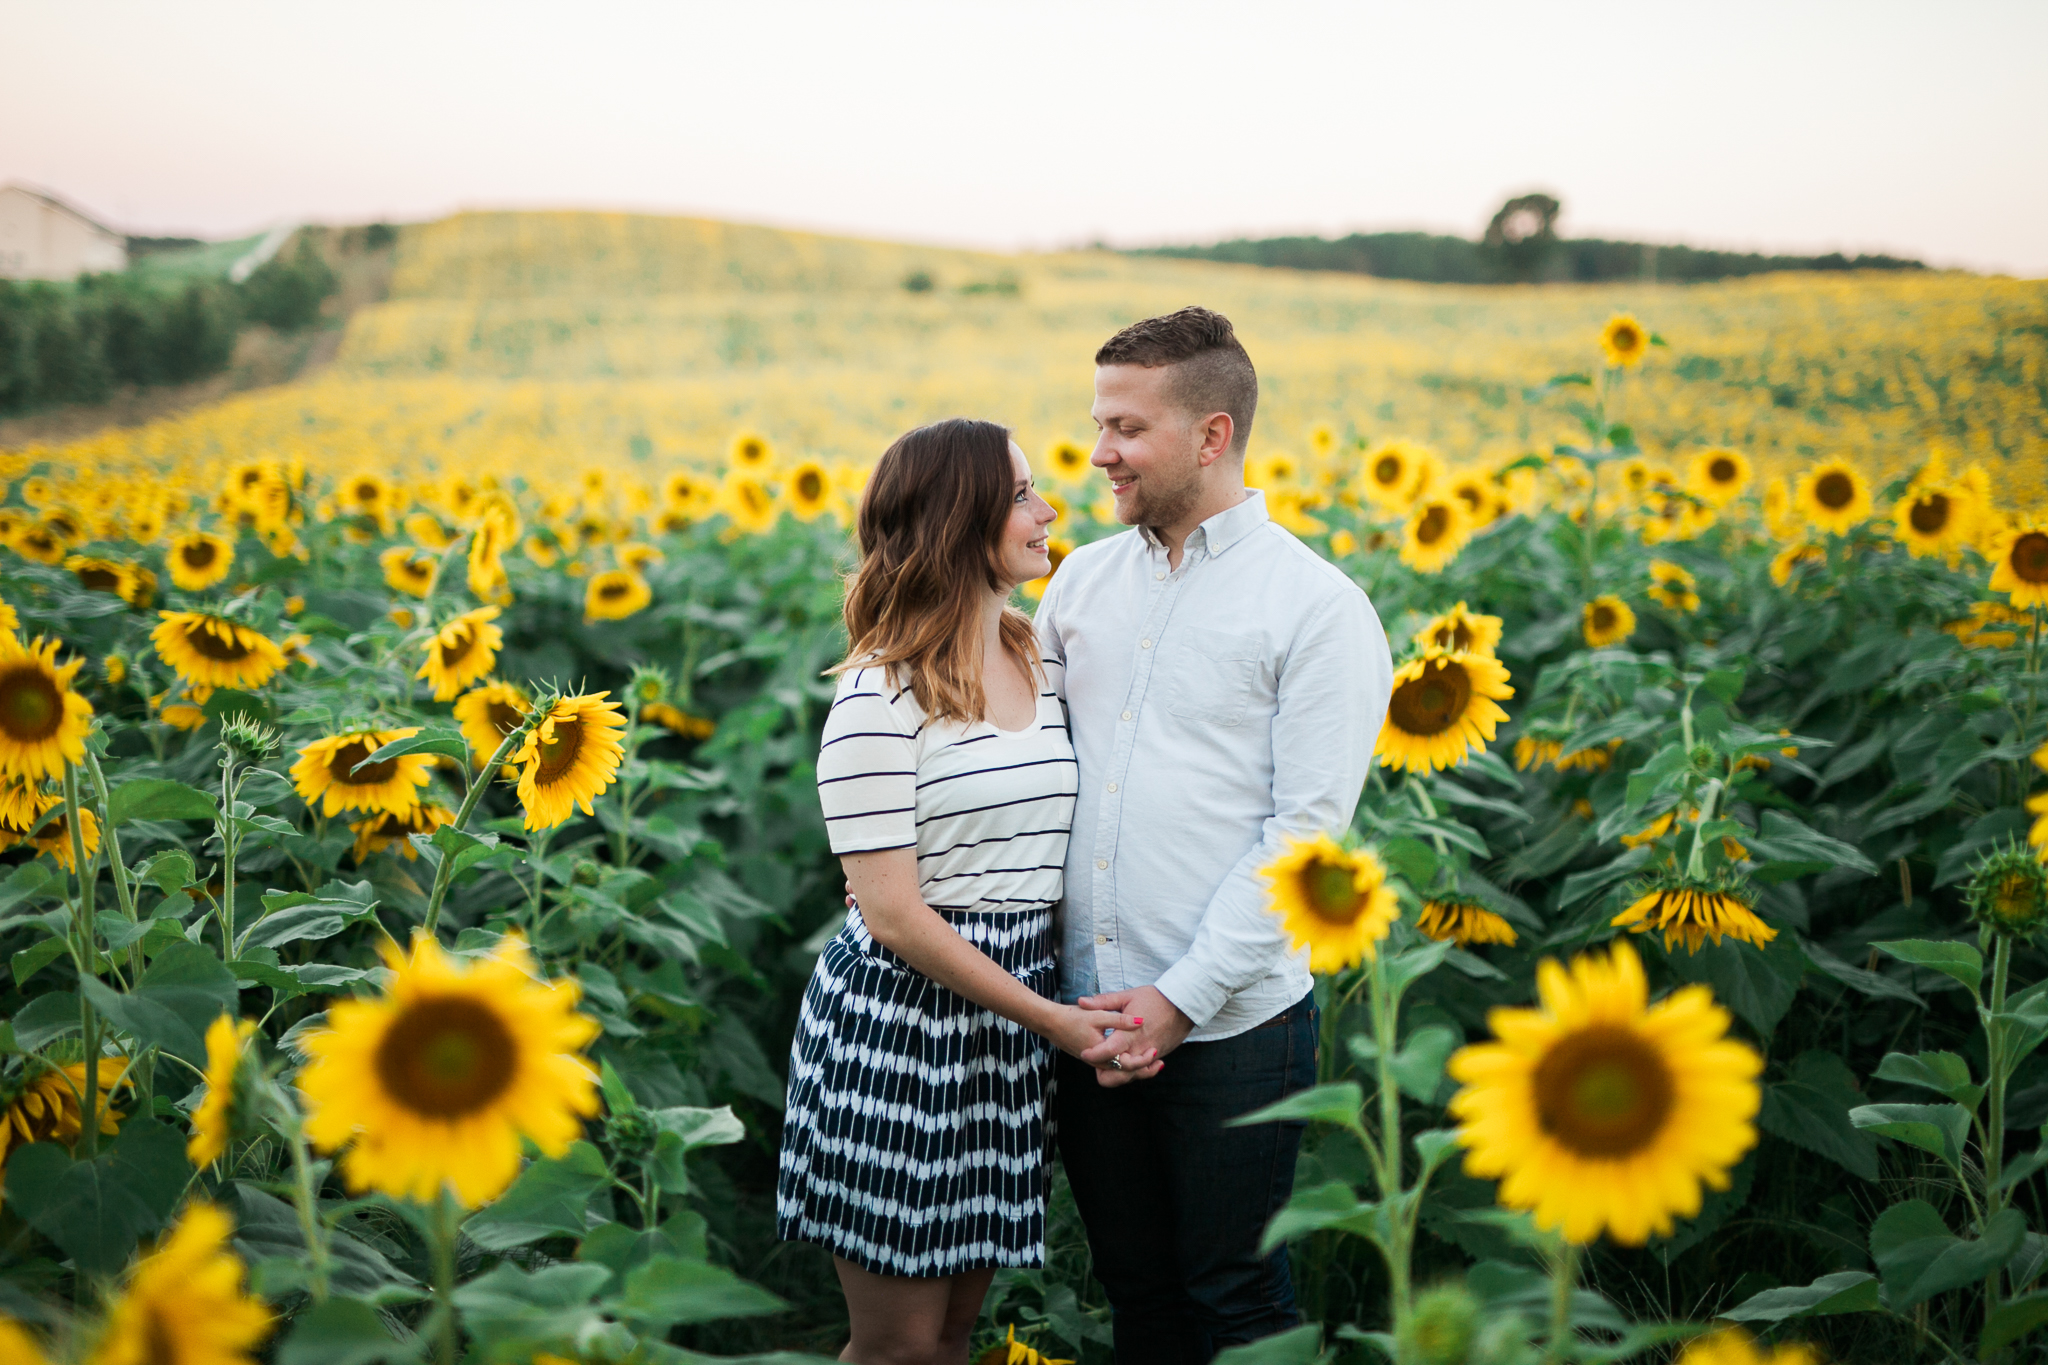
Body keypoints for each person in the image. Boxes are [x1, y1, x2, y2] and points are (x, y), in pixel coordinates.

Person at [1037, 307, 1394, 1360]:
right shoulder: (1077, 584)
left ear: (1211, 434)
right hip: (1086, 1012)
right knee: (1136, 1295)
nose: (1099, 452)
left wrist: (1178, 1002)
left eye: (1126, 428)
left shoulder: (1315, 609)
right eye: (1097, 423)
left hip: (1231, 1020)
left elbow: (1304, 840)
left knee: (1234, 1300)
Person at [777, 417, 1155, 1365]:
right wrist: (1058, 1022)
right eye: (1022, 494)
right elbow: (895, 915)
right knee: (897, 1344)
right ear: (960, 518)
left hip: (1007, 1034)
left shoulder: (1038, 655)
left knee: (953, 1335)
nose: (1048, 510)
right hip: (903, 1031)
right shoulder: (878, 696)